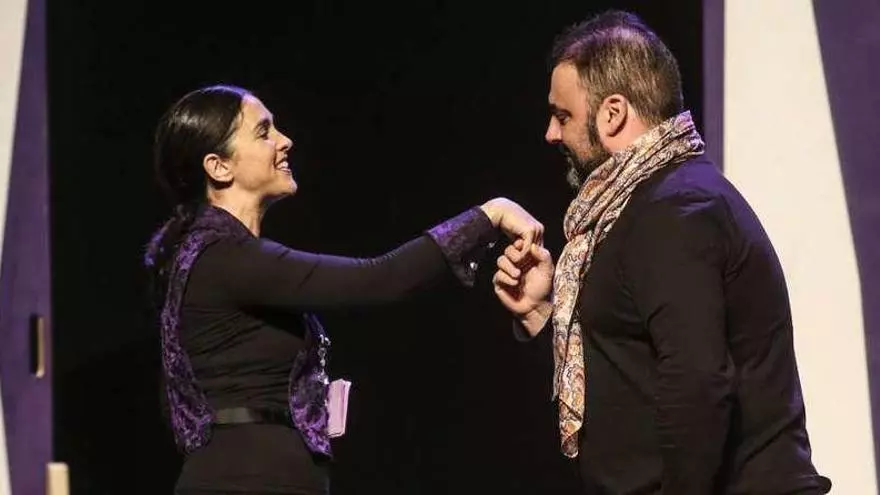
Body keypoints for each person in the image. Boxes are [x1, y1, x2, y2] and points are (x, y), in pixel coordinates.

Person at [491, 10, 832, 495]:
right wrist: (544, 314)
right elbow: (629, 375)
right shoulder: (641, 207)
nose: (551, 133)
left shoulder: (676, 209)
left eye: (563, 116)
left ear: (612, 113)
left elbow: (697, 380)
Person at [143, 84, 544, 495]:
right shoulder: (223, 258)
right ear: (219, 167)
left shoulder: (217, 256)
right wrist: (487, 216)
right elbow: (380, 279)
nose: (285, 140)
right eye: (264, 132)